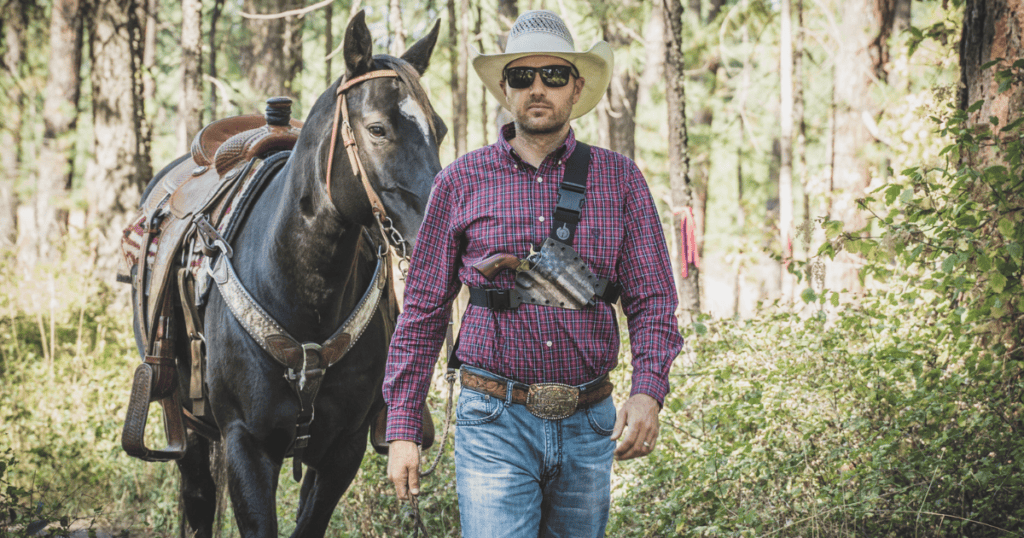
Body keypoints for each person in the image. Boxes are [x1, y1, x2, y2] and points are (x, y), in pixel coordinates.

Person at [383, 10, 684, 537]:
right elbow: (424, 309)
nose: (537, 88)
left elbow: (654, 299)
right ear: (505, 88)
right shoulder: (459, 182)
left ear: (576, 86)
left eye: (553, 75)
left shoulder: (622, 181)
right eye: (523, 76)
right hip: (493, 421)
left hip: (591, 422)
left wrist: (648, 391)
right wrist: (404, 426)